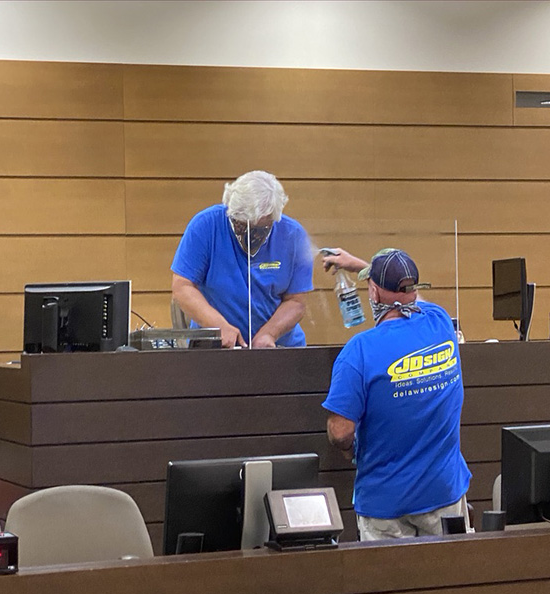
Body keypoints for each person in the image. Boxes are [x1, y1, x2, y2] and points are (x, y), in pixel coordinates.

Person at [321, 248, 472, 540]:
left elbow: (341, 432)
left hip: (384, 504)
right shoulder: (440, 322)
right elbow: (410, 299)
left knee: (388, 585)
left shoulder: (358, 351)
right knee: (451, 582)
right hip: (444, 493)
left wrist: (350, 452)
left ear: (374, 293)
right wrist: (365, 268)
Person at [171, 170, 313, 348]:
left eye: (259, 229)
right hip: (217, 348)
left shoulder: (293, 234)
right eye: (240, 224)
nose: (248, 234)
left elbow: (296, 301)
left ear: (274, 219)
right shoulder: (205, 225)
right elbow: (182, 286)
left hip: (277, 348)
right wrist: (219, 326)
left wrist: (269, 333)